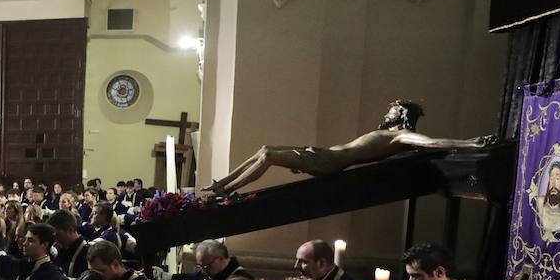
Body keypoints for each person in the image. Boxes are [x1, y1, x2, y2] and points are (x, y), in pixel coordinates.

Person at [206, 98, 496, 195]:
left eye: (393, 110)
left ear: (403, 115)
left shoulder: (402, 135)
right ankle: (223, 184)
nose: (388, 113)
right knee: (266, 148)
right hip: (324, 153)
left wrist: (469, 142)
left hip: (331, 161)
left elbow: (432, 143)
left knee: (268, 155)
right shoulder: (390, 133)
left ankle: (227, 189)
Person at [48, 209, 90, 279]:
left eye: (57, 235)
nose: (55, 240)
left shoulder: (87, 254)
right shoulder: (59, 249)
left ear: (70, 230)